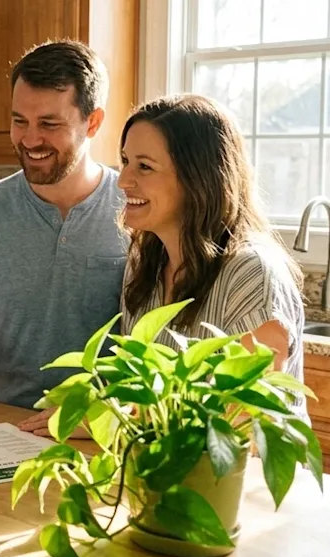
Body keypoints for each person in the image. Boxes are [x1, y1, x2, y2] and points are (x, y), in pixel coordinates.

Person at [0, 39, 128, 422]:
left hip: (99, 429)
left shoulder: (136, 211)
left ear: (93, 122)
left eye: (49, 124)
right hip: (2, 421)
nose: (30, 140)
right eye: (20, 121)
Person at [116, 93, 306, 416]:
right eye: (125, 161)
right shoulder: (144, 264)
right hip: (167, 465)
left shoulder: (252, 274)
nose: (123, 180)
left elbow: (240, 417)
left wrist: (110, 419)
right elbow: (138, 400)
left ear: (198, 179)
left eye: (144, 167)